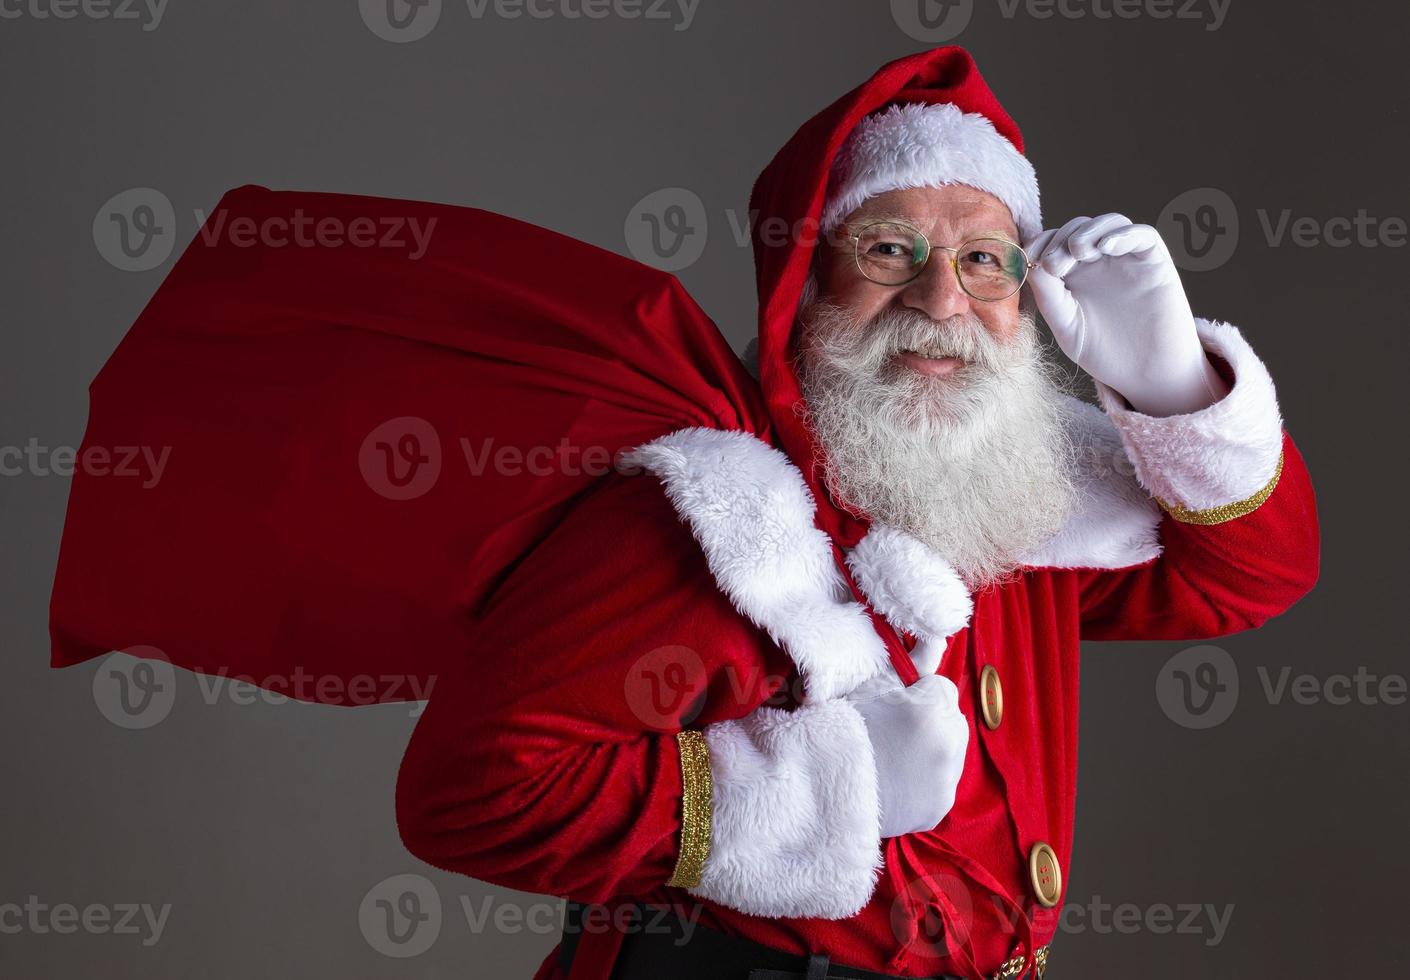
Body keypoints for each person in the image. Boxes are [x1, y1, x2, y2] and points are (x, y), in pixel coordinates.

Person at [393, 45, 1319, 980]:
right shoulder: (711, 513)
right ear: (804, 286)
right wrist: (824, 792)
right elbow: (470, 792)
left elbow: (1254, 579)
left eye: (985, 261)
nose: (941, 297)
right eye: (888, 250)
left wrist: (1173, 387)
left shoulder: (1023, 494)